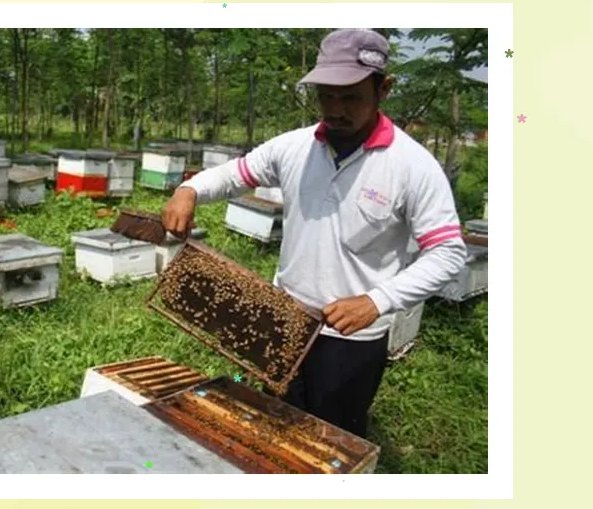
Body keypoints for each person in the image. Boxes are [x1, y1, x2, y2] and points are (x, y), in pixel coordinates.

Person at [161, 28, 468, 438]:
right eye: (327, 96)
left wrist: (377, 301)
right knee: (273, 425)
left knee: (330, 439)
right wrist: (190, 189)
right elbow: (236, 174)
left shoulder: (413, 166)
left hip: (351, 337)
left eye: (350, 96)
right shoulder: (294, 147)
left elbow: (448, 252)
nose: (335, 109)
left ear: (384, 89)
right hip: (282, 317)